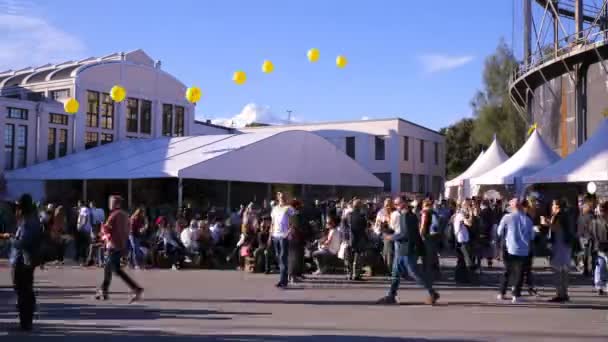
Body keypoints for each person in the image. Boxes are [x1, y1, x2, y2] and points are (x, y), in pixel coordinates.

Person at [376, 196, 440, 305]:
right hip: (402, 249)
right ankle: (391, 295)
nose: (396, 207)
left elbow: (406, 234)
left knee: (414, 273)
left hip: (408, 249)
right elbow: (401, 231)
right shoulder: (405, 215)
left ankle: (432, 292)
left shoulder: (407, 216)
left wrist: (391, 237)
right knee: (396, 273)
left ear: (404, 203)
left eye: (398, 204)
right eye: (395, 205)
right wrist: (386, 230)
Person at [95, 195, 143, 302]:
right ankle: (103, 290)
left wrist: (102, 230)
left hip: (113, 245)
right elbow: (127, 230)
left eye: (111, 202)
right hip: (121, 245)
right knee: (108, 268)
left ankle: (136, 289)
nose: (109, 204)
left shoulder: (114, 215)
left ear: (116, 204)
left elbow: (106, 229)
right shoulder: (125, 215)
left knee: (115, 269)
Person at [6, 194, 42, 331]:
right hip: (27, 259)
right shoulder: (32, 219)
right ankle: (26, 320)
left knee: (23, 290)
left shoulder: (28, 221)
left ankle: (25, 321)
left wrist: (10, 239)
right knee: (25, 289)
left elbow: (22, 242)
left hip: (22, 260)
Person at [496, 198, 535, 304]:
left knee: (507, 271)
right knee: (519, 273)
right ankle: (516, 295)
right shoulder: (528, 220)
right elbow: (532, 236)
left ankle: (501, 292)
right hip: (523, 249)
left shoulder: (507, 217)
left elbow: (499, 232)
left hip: (509, 248)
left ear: (512, 207)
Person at [547, 199, 575, 303]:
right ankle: (564, 293)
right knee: (564, 270)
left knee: (558, 270)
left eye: (553, 205)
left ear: (557, 206)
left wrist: (546, 223)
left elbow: (555, 228)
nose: (552, 207)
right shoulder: (567, 215)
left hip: (559, 246)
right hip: (566, 245)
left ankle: (560, 294)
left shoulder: (558, 215)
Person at [270, 192, 295, 288]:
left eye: (284, 197)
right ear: (278, 198)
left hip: (283, 237)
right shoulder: (275, 209)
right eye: (281, 197)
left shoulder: (289, 208)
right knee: (278, 257)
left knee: (283, 258)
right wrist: (271, 234)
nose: (283, 198)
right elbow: (272, 222)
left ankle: (283, 281)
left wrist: (287, 233)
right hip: (275, 236)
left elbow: (293, 222)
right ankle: (283, 278)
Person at [346, 199, 368, 281]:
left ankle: (350, 274)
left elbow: (344, 227)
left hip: (350, 239)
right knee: (358, 258)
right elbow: (364, 229)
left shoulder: (348, 215)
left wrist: (345, 237)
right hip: (359, 239)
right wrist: (366, 239)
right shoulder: (362, 216)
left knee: (349, 258)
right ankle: (356, 274)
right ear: (360, 207)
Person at [420, 199, 441, 280]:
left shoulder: (425, 213)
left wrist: (420, 235)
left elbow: (423, 225)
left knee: (426, 256)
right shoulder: (434, 212)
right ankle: (436, 274)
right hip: (434, 236)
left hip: (427, 236)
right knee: (433, 255)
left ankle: (427, 274)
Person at [453, 200, 473, 283]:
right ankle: (469, 278)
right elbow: (469, 223)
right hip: (462, 240)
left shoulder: (457, 215)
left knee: (461, 260)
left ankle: (458, 277)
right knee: (467, 260)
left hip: (459, 239)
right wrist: (471, 214)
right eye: (467, 206)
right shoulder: (460, 215)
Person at [592, 202, 608, 295]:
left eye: (603, 210)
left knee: (601, 266)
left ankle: (601, 285)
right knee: (600, 266)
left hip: (602, 246)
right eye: (601, 210)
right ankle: (599, 286)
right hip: (600, 246)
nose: (602, 212)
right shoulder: (597, 221)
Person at [577, 199, 596, 277]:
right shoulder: (591, 216)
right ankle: (591, 270)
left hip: (583, 236)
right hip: (589, 236)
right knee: (591, 254)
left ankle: (585, 269)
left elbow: (578, 225)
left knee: (585, 253)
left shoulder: (581, 215)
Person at [76, 200, 93, 265]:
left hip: (84, 229)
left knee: (84, 245)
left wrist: (81, 226)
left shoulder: (84, 209)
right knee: (86, 245)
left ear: (81, 203)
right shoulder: (85, 209)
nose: (78, 204)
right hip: (87, 229)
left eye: (78, 203)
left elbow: (84, 218)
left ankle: (85, 260)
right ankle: (86, 260)